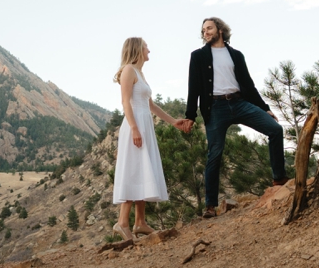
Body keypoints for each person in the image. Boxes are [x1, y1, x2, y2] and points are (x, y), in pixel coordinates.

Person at [180, 16, 286, 217]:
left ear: (220, 30)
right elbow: (193, 87)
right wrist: (190, 115)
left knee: (275, 129)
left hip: (239, 103)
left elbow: (248, 84)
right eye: (203, 30)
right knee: (215, 153)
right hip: (215, 108)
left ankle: (279, 178)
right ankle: (210, 206)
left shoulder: (236, 55)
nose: (205, 32)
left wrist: (264, 108)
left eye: (209, 28)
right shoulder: (198, 56)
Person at [112, 37, 188, 242]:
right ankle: (122, 223)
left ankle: (140, 222)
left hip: (145, 125)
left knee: (143, 169)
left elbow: (151, 106)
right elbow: (125, 102)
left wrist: (173, 122)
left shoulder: (140, 73)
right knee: (133, 170)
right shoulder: (128, 70)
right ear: (137, 49)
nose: (149, 50)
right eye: (146, 47)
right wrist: (134, 129)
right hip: (135, 125)